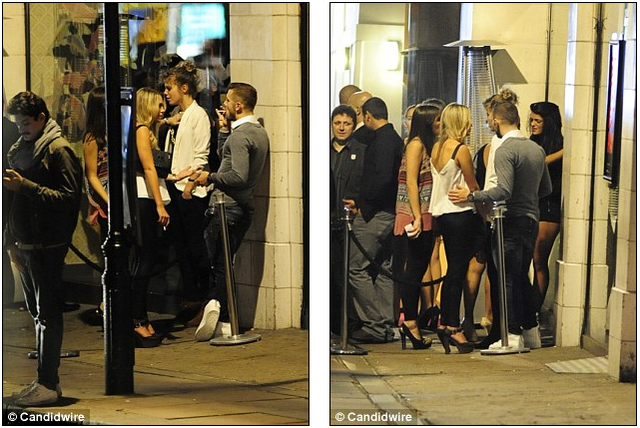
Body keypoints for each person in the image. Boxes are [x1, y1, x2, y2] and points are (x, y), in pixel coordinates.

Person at [449, 101, 552, 351]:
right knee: (521, 277)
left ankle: (512, 335)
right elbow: (546, 188)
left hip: (509, 220)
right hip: (531, 219)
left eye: (490, 119)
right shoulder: (536, 149)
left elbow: (503, 190)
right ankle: (530, 331)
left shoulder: (505, 149)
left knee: (507, 280)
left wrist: (471, 196)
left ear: (496, 120)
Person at [3, 91, 82, 405]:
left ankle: (48, 382)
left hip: (47, 244)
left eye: (25, 123)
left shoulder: (58, 150)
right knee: (38, 314)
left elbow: (69, 198)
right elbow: (13, 202)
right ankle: (45, 380)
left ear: (41, 118)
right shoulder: (22, 149)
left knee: (47, 314)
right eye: (17, 124)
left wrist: (26, 186)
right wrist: (10, 241)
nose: (21, 129)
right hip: (26, 243)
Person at [192, 82, 269, 341]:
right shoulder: (257, 133)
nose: (223, 106)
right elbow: (229, 160)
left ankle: (219, 310)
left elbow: (237, 175)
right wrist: (224, 131)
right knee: (223, 263)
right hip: (243, 208)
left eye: (227, 101)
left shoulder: (241, 136)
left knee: (219, 265)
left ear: (238, 105)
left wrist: (209, 177)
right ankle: (220, 313)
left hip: (227, 207)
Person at [343, 97, 403, 343]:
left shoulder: (382, 142)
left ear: (367, 116)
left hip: (375, 214)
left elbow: (382, 180)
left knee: (356, 268)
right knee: (382, 268)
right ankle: (386, 324)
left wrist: (362, 202)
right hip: (390, 212)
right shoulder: (394, 139)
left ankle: (375, 325)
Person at [161, 60, 212, 327]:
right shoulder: (179, 117)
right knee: (181, 248)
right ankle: (190, 299)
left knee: (195, 248)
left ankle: (203, 300)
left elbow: (201, 156)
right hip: (176, 187)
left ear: (184, 88)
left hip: (189, 191)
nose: (165, 93)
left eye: (169, 88)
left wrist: (189, 185)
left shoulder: (198, 116)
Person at [428, 103, 479, 354]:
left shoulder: (437, 147)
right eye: (468, 120)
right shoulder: (461, 150)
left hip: (441, 214)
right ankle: (452, 325)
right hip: (459, 214)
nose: (471, 125)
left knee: (452, 271)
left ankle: (446, 322)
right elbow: (473, 186)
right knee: (457, 271)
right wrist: (472, 193)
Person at [393, 103, 442, 350]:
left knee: (419, 266)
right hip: (415, 212)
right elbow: (411, 182)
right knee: (413, 268)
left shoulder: (427, 145)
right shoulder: (416, 145)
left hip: (424, 211)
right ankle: (411, 322)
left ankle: (413, 322)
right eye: (437, 120)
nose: (440, 124)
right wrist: (417, 216)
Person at [131, 87, 171, 347]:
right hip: (144, 198)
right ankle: (137, 319)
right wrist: (159, 205)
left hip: (143, 196)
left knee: (144, 260)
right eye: (158, 105)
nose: (162, 110)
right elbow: (148, 168)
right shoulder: (142, 130)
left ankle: (140, 317)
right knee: (143, 261)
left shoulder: (141, 129)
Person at [330, 104, 366, 335]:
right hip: (328, 221)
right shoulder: (323, 151)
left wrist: (359, 204)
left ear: (353, 126)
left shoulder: (362, 151)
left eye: (346, 123)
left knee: (348, 273)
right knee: (332, 274)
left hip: (351, 222)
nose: (341, 128)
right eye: (337, 123)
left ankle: (351, 322)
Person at [529, 101, 563, 311]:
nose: (533, 124)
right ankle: (530, 308)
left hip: (550, 205)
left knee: (539, 258)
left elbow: (540, 163)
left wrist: (562, 153)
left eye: (538, 121)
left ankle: (534, 308)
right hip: (533, 204)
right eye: (531, 120)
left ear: (548, 122)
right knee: (532, 259)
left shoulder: (559, 145)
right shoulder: (533, 143)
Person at [82, 86, 108, 244]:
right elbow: (92, 175)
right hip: (105, 193)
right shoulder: (92, 138)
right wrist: (108, 200)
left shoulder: (112, 131)